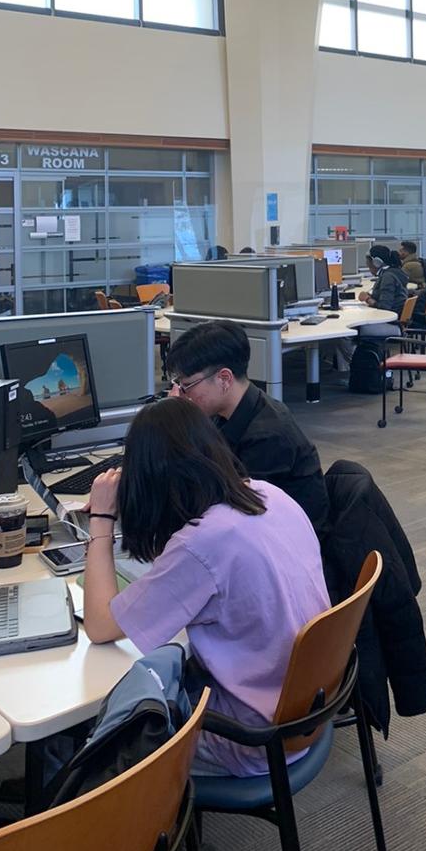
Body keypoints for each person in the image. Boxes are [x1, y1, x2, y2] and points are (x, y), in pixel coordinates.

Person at [83, 399, 332, 775]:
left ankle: (68, 794)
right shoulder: (268, 494)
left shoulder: (201, 544)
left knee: (115, 719)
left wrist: (101, 520)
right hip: (304, 708)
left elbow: (101, 626)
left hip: (249, 738)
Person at [164, 320, 329, 538]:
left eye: (188, 386)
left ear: (224, 379)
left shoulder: (268, 437)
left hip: (286, 548)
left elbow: (232, 514)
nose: (183, 394)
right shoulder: (227, 413)